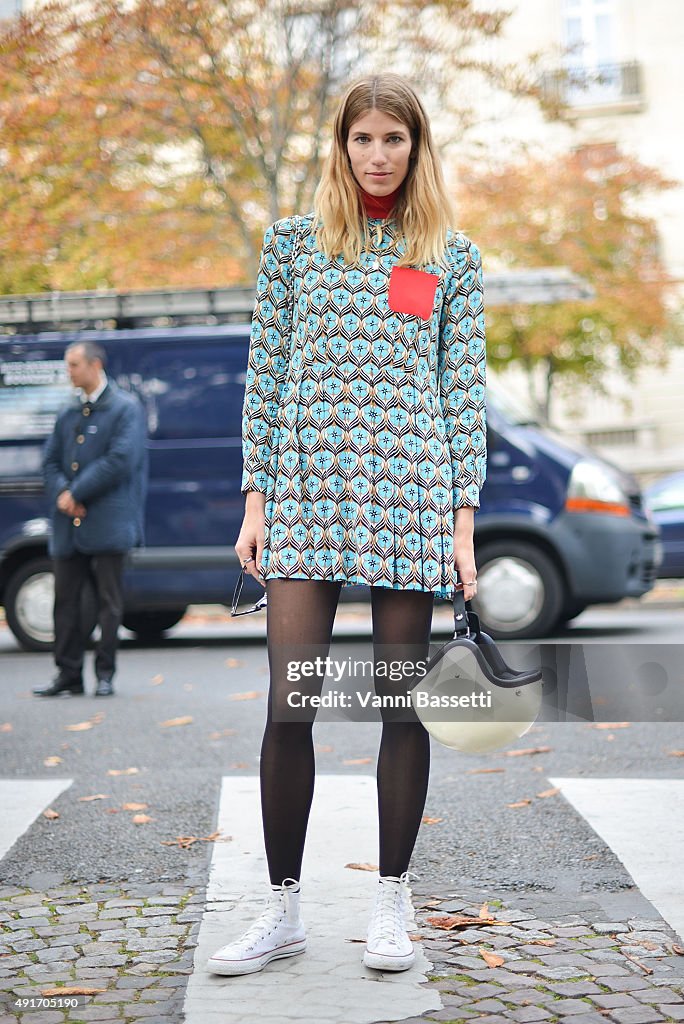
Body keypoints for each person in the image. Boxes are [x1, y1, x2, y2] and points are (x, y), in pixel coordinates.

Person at [208, 72, 486, 976]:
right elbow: (267, 373)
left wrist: (462, 525)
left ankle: (392, 902)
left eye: (393, 140)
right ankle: (282, 909)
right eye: (362, 139)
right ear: (341, 145)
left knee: (400, 707)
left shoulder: (452, 255)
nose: (377, 156)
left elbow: (462, 393)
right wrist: (255, 500)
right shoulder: (291, 247)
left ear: (417, 147)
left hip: (410, 496)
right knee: (292, 705)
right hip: (306, 494)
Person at [33, 340, 147, 698]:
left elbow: (120, 460)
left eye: (73, 365)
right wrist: (63, 494)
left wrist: (75, 493)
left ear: (95, 366)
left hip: (108, 523)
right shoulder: (67, 411)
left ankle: (105, 676)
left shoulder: (125, 409)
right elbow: (50, 461)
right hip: (68, 525)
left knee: (108, 603)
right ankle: (67, 676)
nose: (68, 372)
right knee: (64, 602)